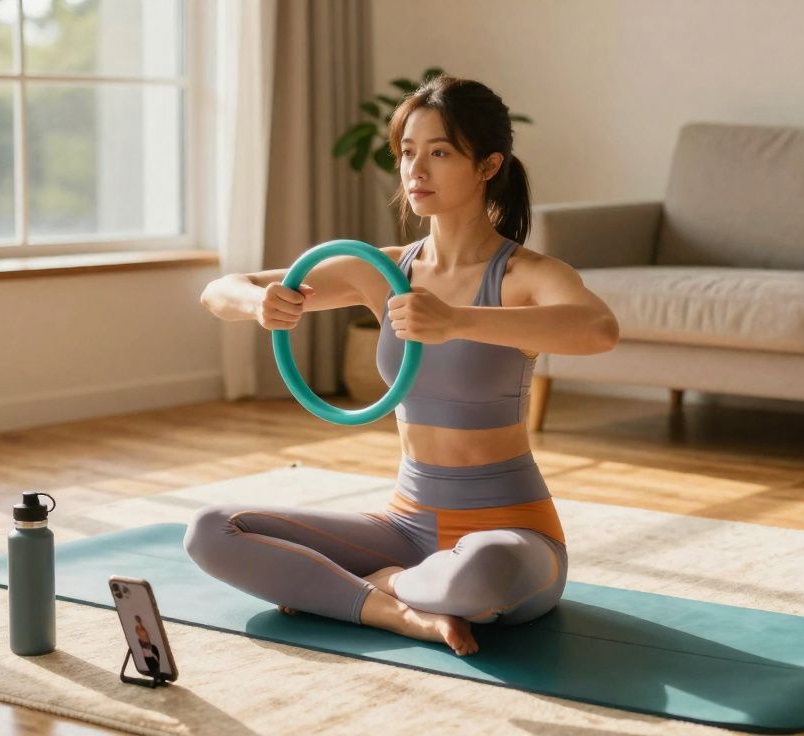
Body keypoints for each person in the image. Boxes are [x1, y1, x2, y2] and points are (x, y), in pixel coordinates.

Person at [188, 74, 619, 656]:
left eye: (439, 153)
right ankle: (397, 612)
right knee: (211, 530)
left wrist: (459, 320)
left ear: (489, 166)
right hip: (404, 528)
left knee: (483, 571)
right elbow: (219, 289)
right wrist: (259, 303)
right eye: (408, 153)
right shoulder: (385, 270)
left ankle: (369, 588)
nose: (416, 171)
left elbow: (598, 329)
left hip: (512, 533)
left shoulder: (525, 276)